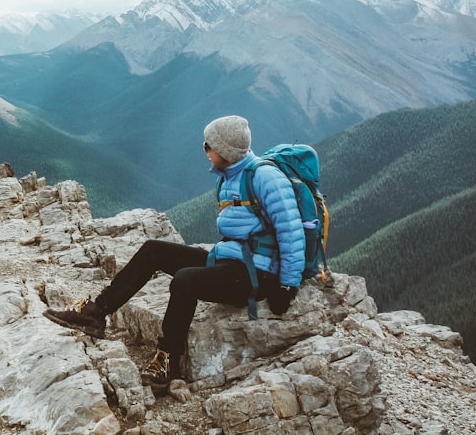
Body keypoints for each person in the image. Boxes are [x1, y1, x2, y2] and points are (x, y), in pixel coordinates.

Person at [43, 115, 305, 391]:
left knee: (185, 280)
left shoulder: (265, 178)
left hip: (256, 275)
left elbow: (291, 230)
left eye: (209, 145)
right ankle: (96, 312)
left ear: (226, 151)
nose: (204, 149)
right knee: (153, 250)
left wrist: (287, 285)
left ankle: (169, 360)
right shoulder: (232, 175)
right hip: (230, 261)